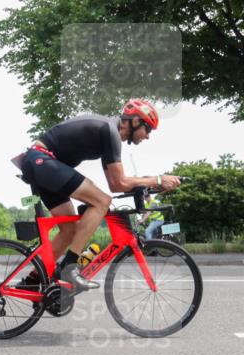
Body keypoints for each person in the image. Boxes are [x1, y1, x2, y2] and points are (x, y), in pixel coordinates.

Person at [18, 99, 180, 290]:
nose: (148, 136)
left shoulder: (108, 132)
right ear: (136, 121)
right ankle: (70, 269)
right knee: (102, 202)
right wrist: (158, 179)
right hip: (42, 161)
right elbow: (119, 184)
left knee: (70, 230)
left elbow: (116, 184)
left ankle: (31, 281)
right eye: (148, 129)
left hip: (40, 163)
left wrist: (153, 185)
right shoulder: (110, 130)